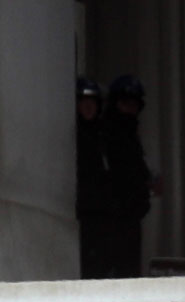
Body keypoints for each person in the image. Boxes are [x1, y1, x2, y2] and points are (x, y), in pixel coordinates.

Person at [101, 74, 152, 279]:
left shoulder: (131, 136)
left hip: (131, 215)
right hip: (112, 216)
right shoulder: (108, 134)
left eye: (133, 104)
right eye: (125, 103)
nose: (130, 109)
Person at [76, 76, 111, 280]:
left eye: (92, 103)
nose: (88, 107)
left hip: (103, 211)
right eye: (83, 102)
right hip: (83, 211)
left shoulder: (103, 136)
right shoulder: (74, 135)